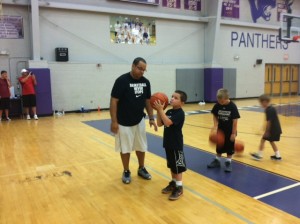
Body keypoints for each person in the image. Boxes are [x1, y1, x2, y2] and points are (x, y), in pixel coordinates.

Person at [110, 57, 157, 184]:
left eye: (144, 70)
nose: (141, 71)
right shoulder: (121, 81)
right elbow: (114, 101)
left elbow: (147, 101)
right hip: (123, 121)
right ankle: (126, 170)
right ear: (133, 66)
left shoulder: (146, 82)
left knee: (141, 146)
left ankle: (141, 168)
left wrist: (151, 118)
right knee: (125, 148)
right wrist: (114, 121)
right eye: (139, 68)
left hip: (139, 120)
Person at [154, 90, 187, 201]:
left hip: (176, 144)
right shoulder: (168, 111)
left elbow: (168, 123)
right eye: (172, 96)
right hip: (168, 143)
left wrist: (160, 110)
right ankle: (173, 183)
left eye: (176, 98)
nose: (172, 99)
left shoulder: (180, 113)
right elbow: (159, 123)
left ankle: (179, 187)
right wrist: (160, 111)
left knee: (178, 167)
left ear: (182, 103)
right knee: (172, 165)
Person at [207, 89, 240, 172]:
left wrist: (233, 133)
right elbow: (214, 115)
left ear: (226, 98)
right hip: (220, 130)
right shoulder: (217, 105)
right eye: (218, 100)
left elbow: (235, 121)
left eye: (221, 101)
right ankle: (217, 160)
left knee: (229, 146)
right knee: (219, 145)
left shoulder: (232, 106)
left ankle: (228, 162)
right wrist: (215, 125)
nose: (220, 103)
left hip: (230, 130)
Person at [251, 94, 282, 161]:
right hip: (276, 129)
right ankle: (278, 156)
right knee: (271, 141)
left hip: (272, 130)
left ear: (265, 102)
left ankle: (259, 155)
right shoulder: (270, 108)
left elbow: (269, 122)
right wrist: (263, 128)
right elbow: (267, 121)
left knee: (263, 140)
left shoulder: (269, 110)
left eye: (261, 103)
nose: (261, 104)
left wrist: (267, 132)